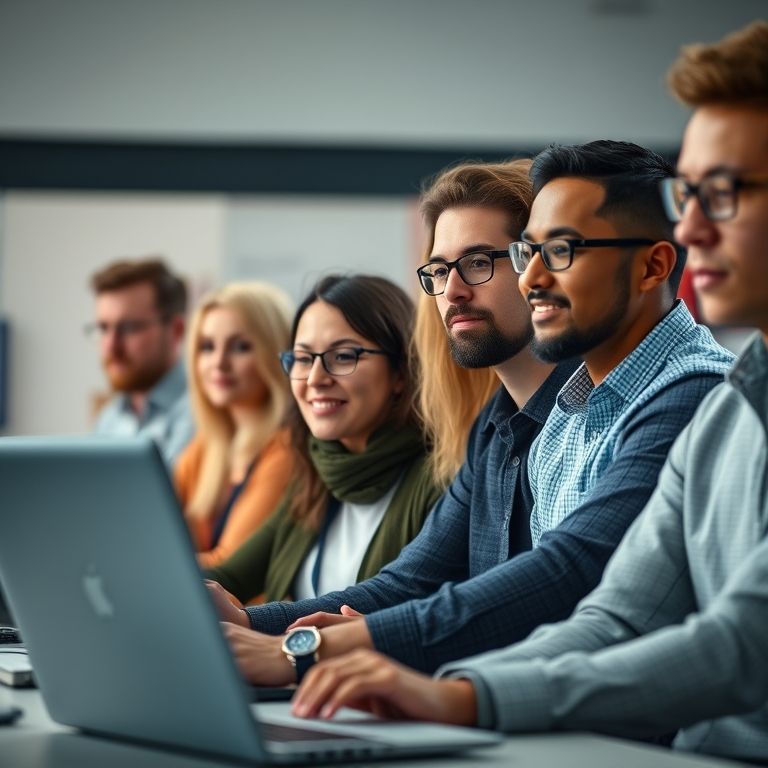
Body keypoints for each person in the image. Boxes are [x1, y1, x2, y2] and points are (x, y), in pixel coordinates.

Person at [288, 21, 768, 765]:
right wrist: (452, 691)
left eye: (727, 193)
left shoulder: (690, 397)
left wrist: (434, 686)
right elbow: (611, 618)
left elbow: (732, 643)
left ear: (651, 268)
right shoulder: (724, 409)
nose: (696, 225)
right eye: (690, 193)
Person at [210, 144, 732, 688]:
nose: (453, 290)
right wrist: (253, 624)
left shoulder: (686, 392)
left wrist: (325, 649)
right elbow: (417, 583)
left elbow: (566, 578)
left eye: (481, 262)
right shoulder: (539, 416)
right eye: (438, 271)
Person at [204, 274, 445, 636]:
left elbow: (396, 603)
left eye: (343, 356)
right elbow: (230, 576)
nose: (315, 378)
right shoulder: (317, 473)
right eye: (302, 359)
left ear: (400, 371)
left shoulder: (440, 478)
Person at [174, 282, 295, 569]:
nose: (218, 362)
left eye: (240, 347)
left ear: (275, 352)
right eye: (207, 347)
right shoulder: (205, 448)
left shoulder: (287, 450)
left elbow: (230, 567)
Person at [88, 257, 193, 466]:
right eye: (103, 329)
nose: (111, 345)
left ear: (176, 330)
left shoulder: (203, 415)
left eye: (128, 328)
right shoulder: (109, 419)